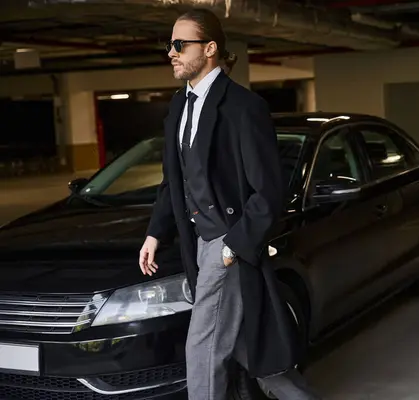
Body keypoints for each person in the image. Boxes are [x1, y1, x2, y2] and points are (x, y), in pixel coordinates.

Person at [138, 8, 321, 400]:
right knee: (250, 349)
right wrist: (156, 233)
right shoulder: (178, 107)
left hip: (227, 244)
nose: (170, 52)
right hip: (198, 244)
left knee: (202, 349)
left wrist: (230, 247)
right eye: (169, 45)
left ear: (209, 49)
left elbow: (269, 192)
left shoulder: (243, 107)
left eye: (179, 45)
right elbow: (176, 181)